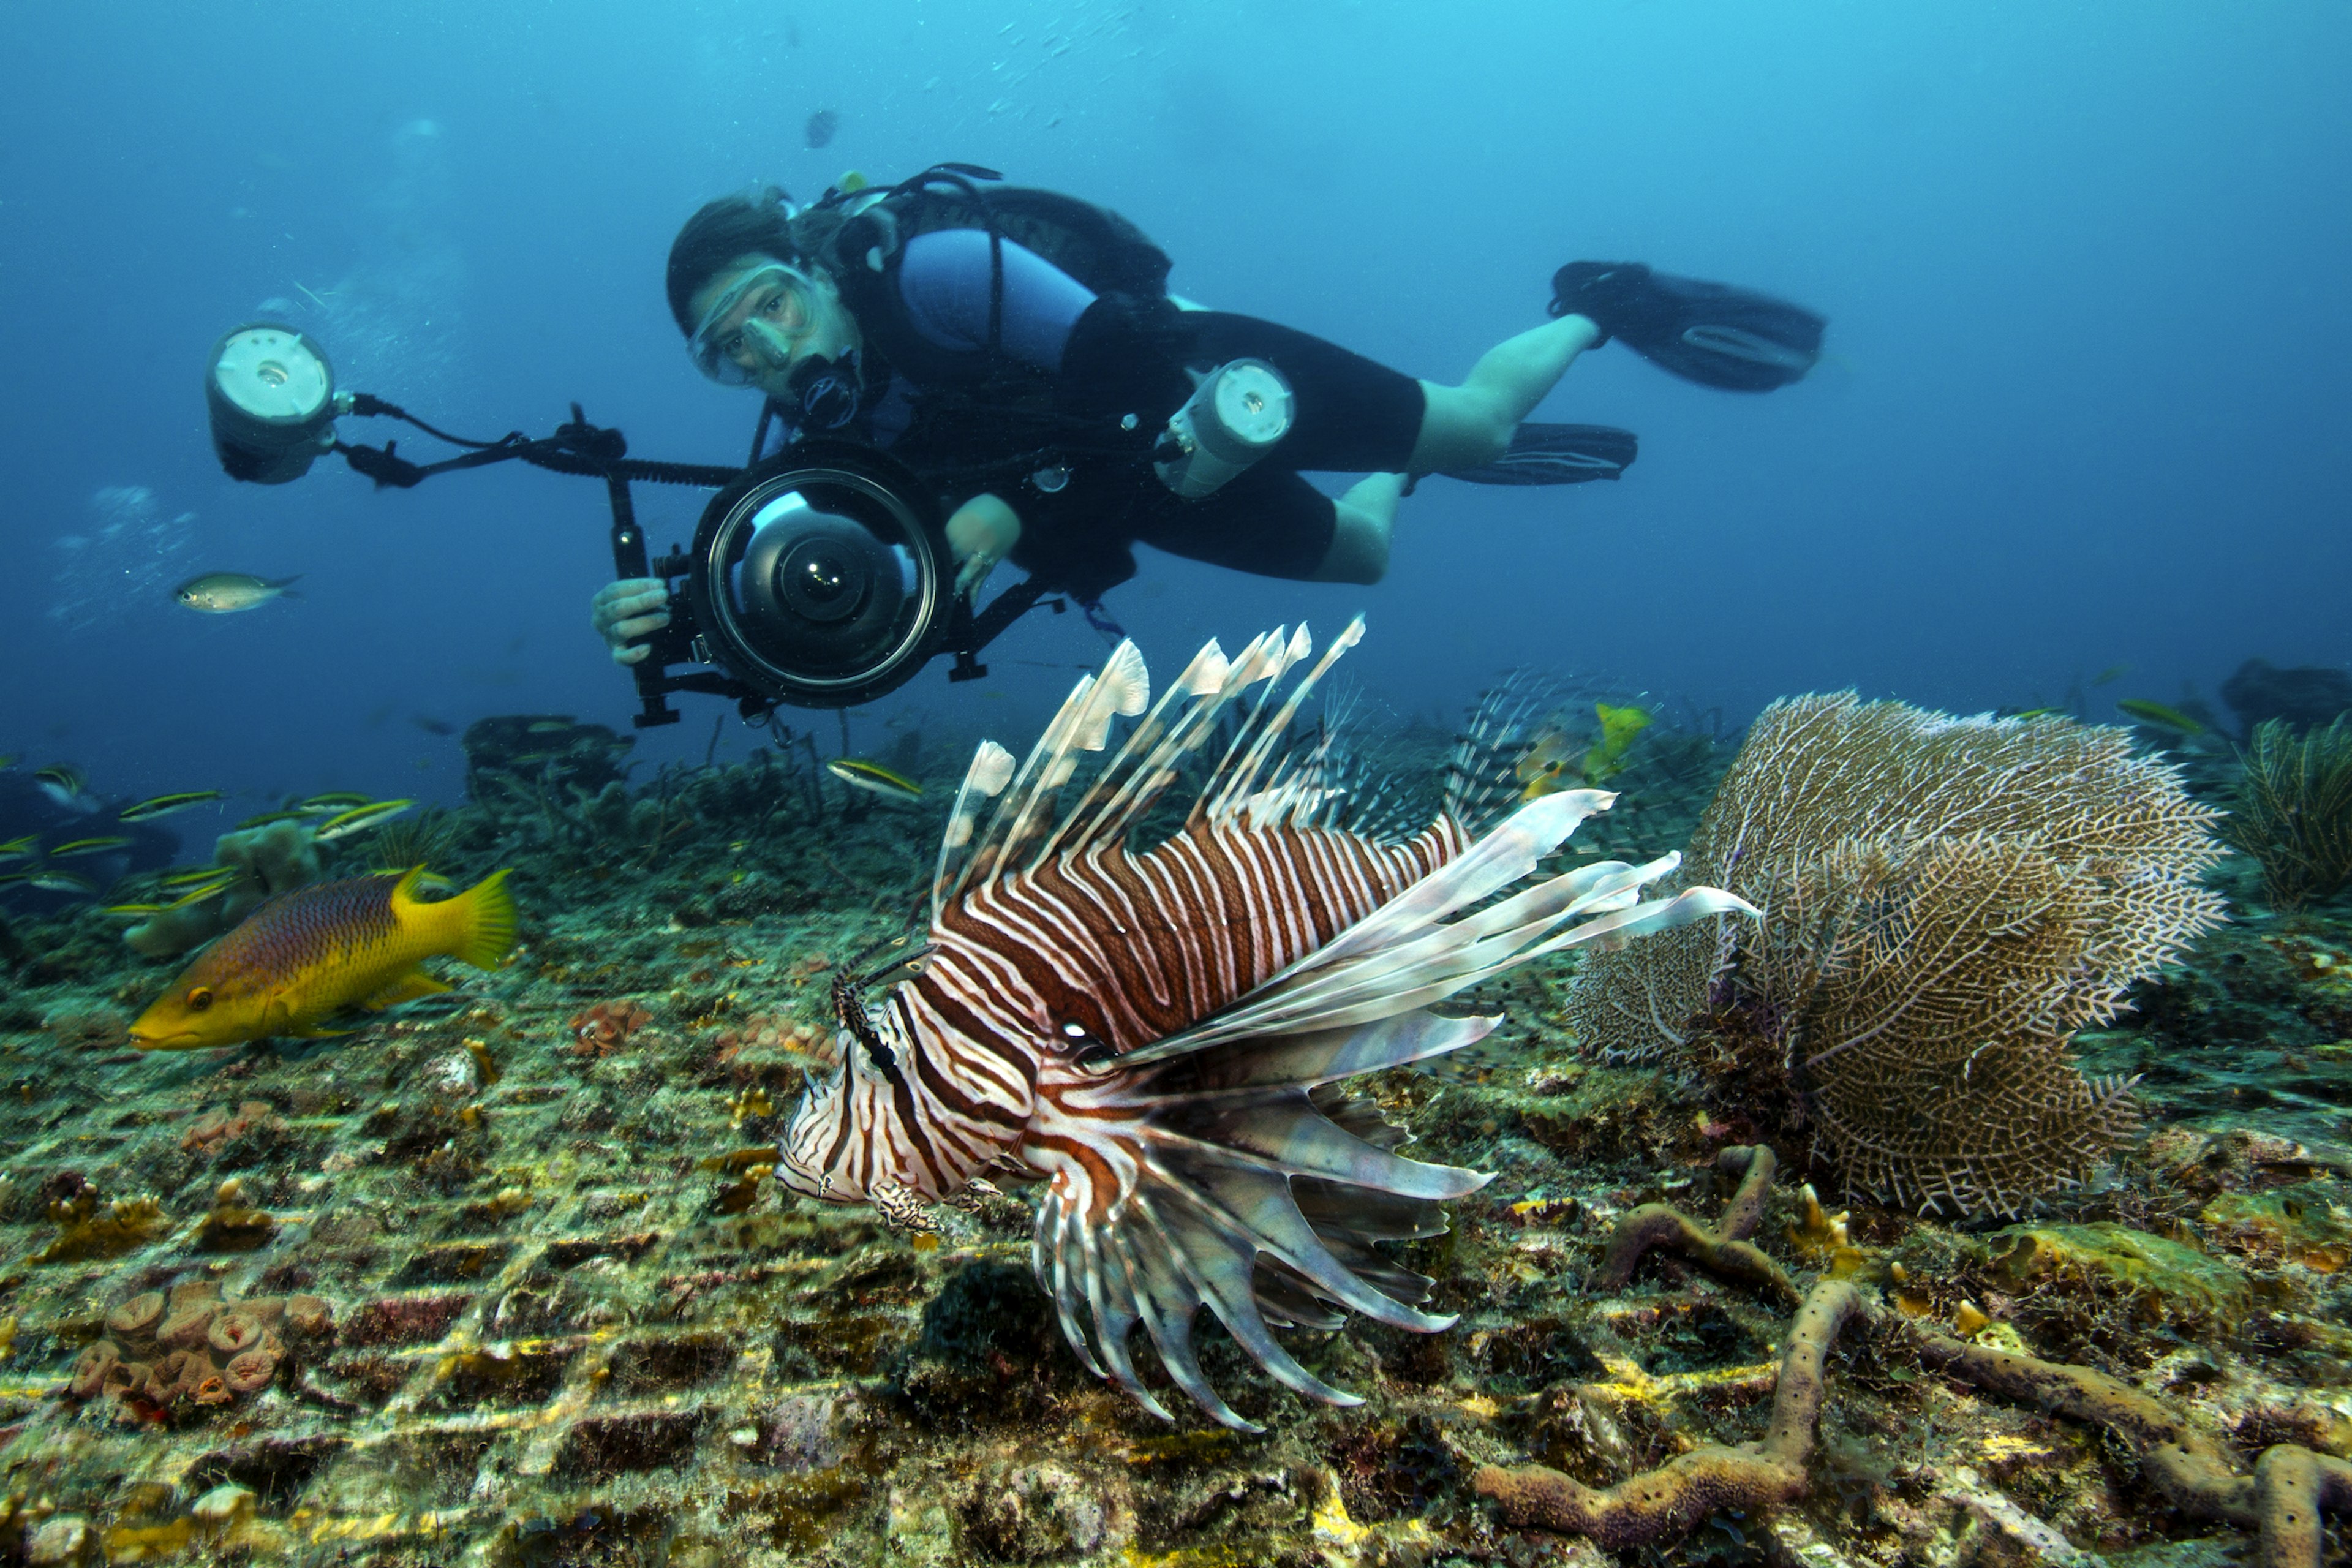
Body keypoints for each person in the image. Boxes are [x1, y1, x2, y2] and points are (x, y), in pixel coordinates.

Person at [593, 170, 1823, 666]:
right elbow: (819, 568)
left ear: (812, 270)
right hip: (1127, 487)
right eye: (726, 350)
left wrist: (986, 511)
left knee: (1481, 425)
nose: (764, 348)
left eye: (766, 305)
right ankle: (1412, 474)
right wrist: (693, 607)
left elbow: (1112, 364)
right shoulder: (826, 437)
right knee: (1366, 551)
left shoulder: (934, 274)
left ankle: (1589, 307)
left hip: (1204, 385)